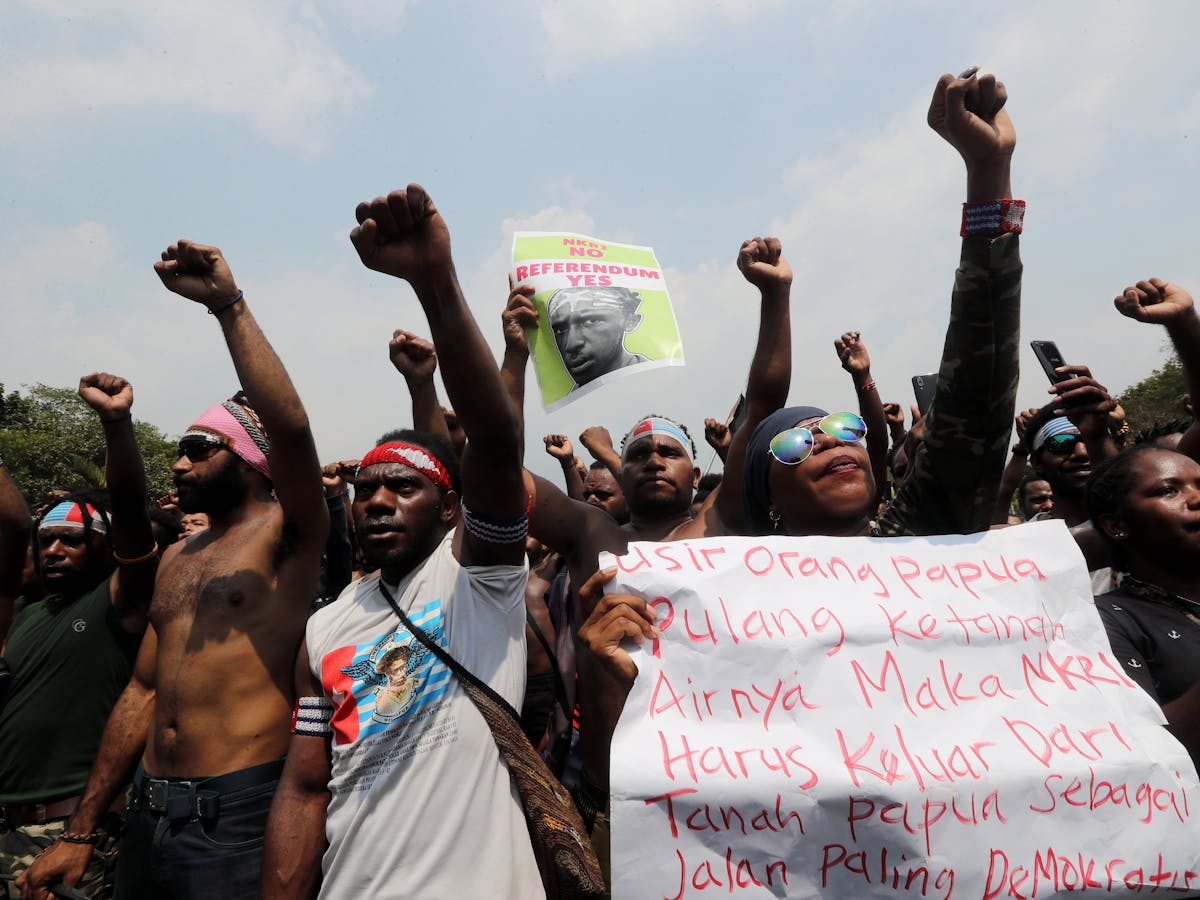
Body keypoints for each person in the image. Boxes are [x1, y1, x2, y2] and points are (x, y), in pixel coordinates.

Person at [21, 243, 329, 900]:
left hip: (237, 813)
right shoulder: (178, 558)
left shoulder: (288, 535)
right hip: (147, 810)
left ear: (251, 459)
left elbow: (293, 430)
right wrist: (80, 830)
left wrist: (227, 305)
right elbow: (140, 692)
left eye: (197, 448)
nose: (180, 464)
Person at [260, 184, 540, 898]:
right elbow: (305, 786)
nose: (377, 501)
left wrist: (433, 281)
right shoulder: (325, 629)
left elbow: (497, 441)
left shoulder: (480, 580)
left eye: (403, 488)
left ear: (450, 509)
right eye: (365, 490)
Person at [2, 374, 157, 900]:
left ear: (106, 548)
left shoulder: (119, 601)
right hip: (8, 827)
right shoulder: (27, 615)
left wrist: (116, 423)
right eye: (45, 540)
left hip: (70, 831)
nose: (53, 551)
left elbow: (131, 512)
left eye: (71, 540)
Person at [546, 286, 648, 388]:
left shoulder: (653, 382)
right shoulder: (575, 395)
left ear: (630, 322)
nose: (571, 344)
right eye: (559, 329)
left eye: (592, 321)